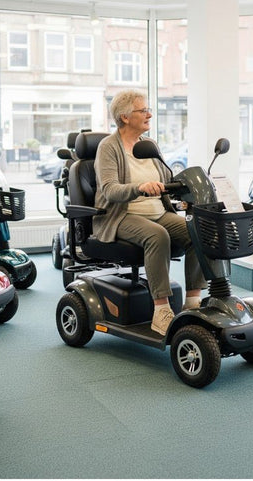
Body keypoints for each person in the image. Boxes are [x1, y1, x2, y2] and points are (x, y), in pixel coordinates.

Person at [93, 90, 206, 335]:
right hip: (120, 216)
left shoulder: (149, 145)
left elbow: (166, 179)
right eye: (143, 110)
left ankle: (193, 302)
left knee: (198, 231)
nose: (150, 114)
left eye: (148, 109)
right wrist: (139, 188)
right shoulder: (108, 147)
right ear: (124, 117)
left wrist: (186, 192)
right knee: (158, 236)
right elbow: (110, 189)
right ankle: (161, 311)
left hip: (158, 211)